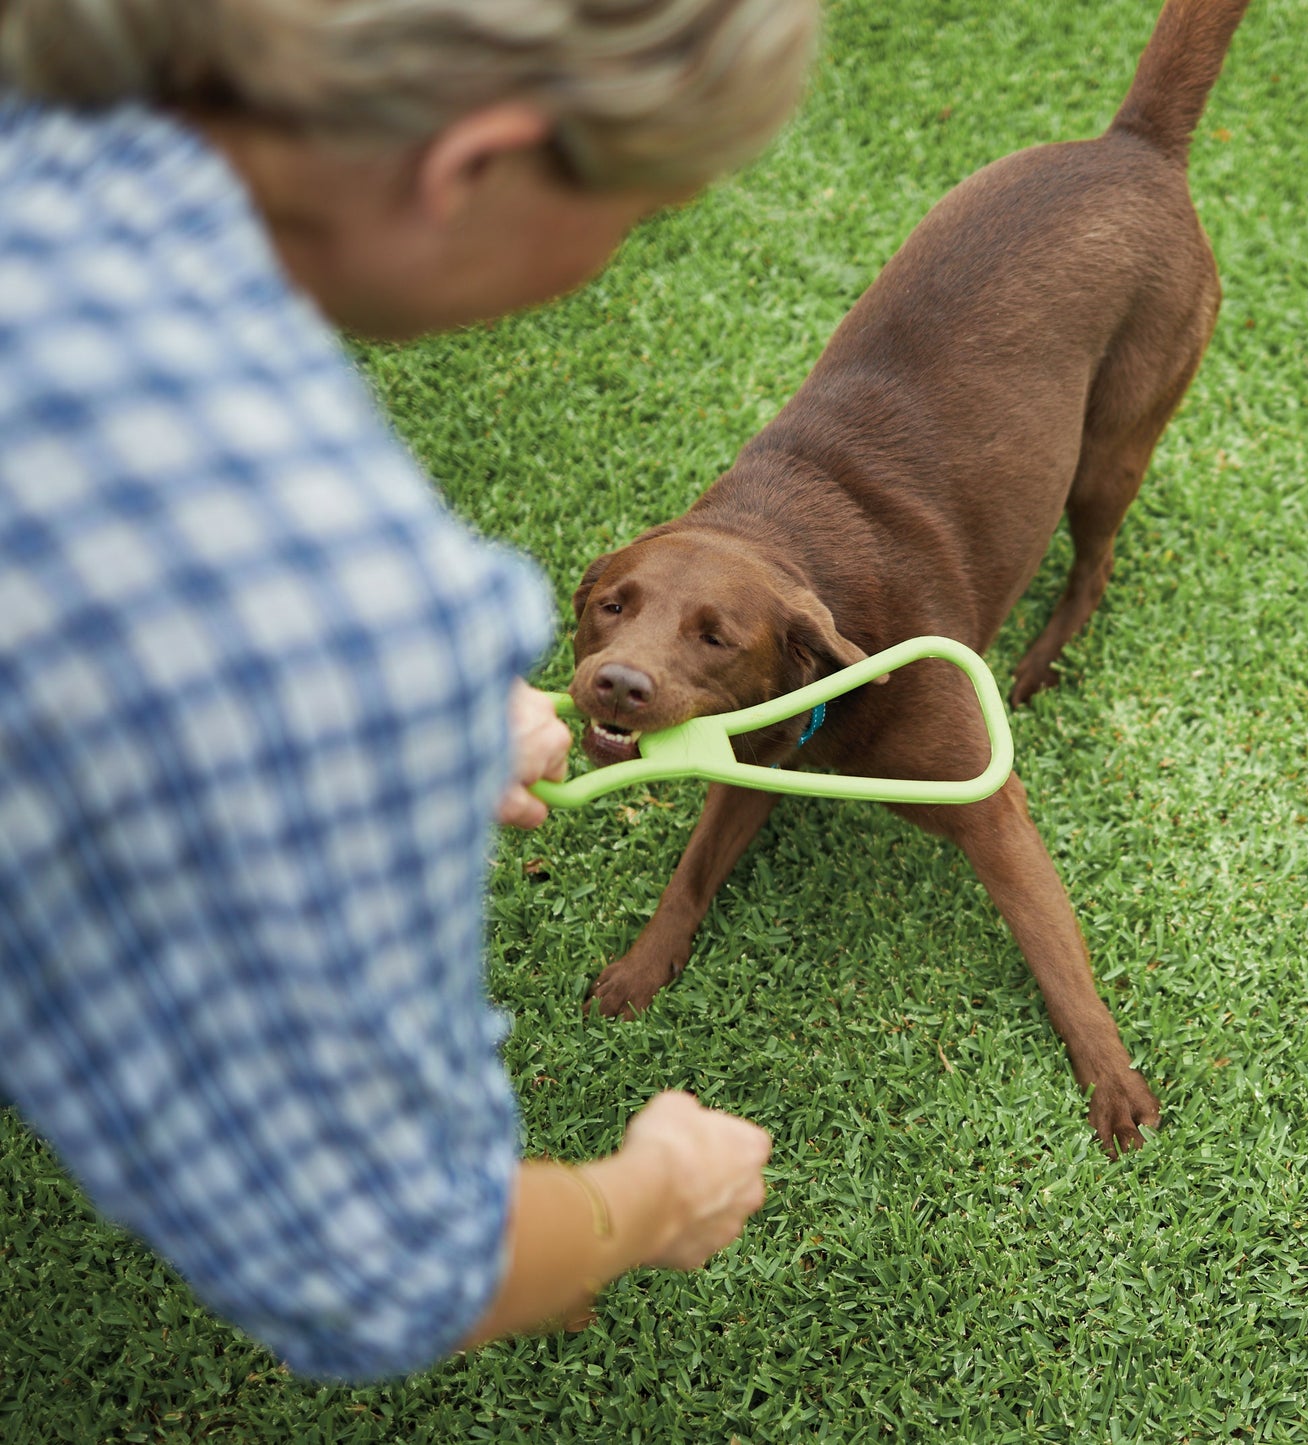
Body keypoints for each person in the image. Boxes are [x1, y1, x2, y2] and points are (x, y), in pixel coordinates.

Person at [0, 0, 818, 1383]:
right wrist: (647, 1195)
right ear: (472, 164)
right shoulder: (357, 606)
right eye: (645, 212)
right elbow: (381, 1266)